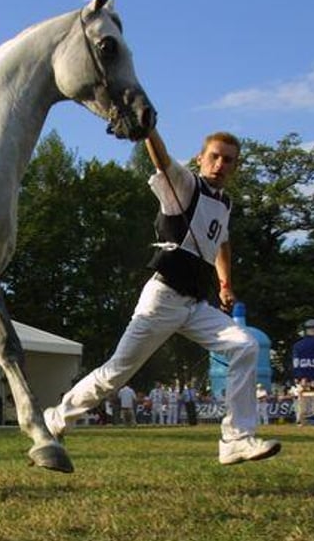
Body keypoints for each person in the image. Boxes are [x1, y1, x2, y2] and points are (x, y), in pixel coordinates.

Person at [44, 129, 281, 465]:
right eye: (214, 156)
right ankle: (56, 418)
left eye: (228, 160)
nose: (220, 164)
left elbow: (222, 243)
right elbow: (161, 159)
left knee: (245, 346)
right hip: (163, 297)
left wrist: (225, 282)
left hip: (196, 305)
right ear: (201, 158)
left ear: (235, 167)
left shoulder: (225, 203)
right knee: (116, 373)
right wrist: (148, 128)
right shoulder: (185, 185)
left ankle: (236, 439)